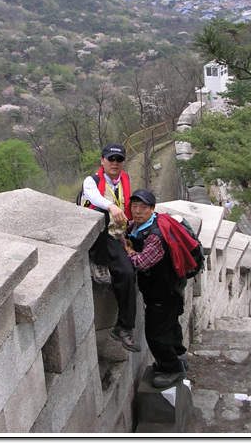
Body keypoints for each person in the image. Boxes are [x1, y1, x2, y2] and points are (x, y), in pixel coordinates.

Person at [122, 188, 192, 388]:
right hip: (167, 289)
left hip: (163, 291)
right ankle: (179, 357)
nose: (137, 211)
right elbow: (128, 230)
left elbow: (142, 262)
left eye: (143, 207)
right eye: (134, 206)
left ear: (152, 209)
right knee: (170, 326)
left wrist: (128, 250)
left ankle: (172, 369)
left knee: (155, 334)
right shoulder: (140, 225)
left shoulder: (155, 235)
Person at [82, 143, 140, 352]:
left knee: (127, 274)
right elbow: (93, 198)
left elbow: (125, 209)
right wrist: (111, 205)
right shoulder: (92, 181)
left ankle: (123, 327)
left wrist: (124, 235)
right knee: (100, 212)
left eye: (119, 160)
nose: (115, 163)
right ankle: (98, 263)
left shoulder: (125, 180)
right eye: (110, 159)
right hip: (95, 237)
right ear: (102, 160)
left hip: (114, 236)